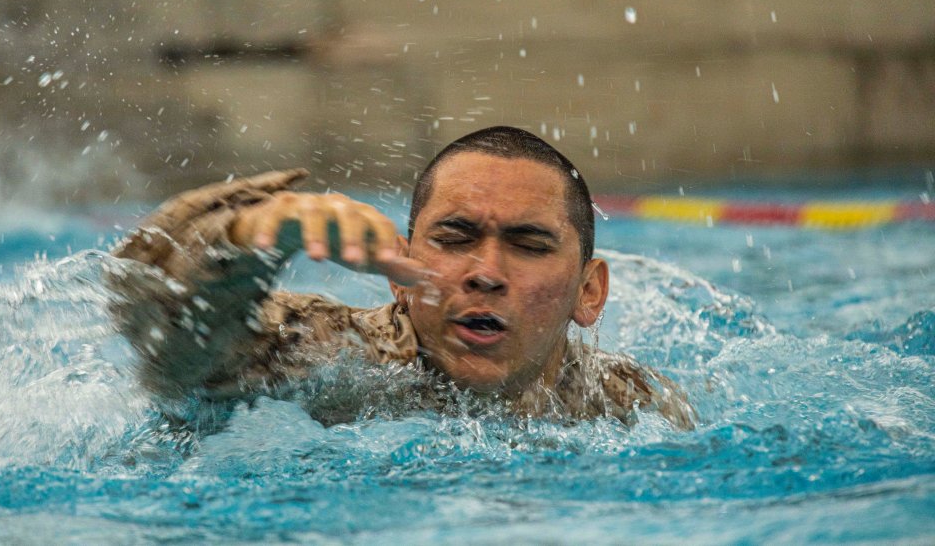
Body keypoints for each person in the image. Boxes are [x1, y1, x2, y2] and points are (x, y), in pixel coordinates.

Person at [107, 126, 695, 429]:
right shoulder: (343, 356)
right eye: (454, 238)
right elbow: (170, 358)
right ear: (399, 270)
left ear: (588, 293)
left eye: (528, 245)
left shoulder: (630, 404)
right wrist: (248, 243)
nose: (486, 273)